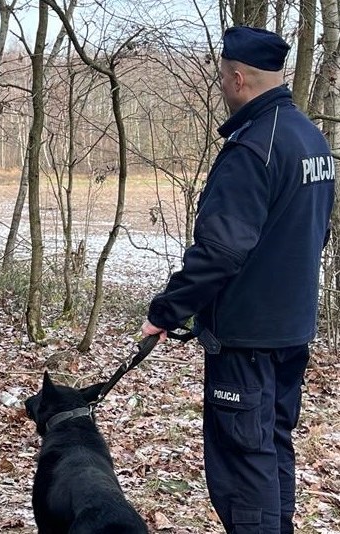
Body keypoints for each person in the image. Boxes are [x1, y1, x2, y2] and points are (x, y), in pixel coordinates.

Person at [142, 26, 336, 533]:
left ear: (238, 77)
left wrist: (165, 311)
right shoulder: (310, 139)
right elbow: (317, 233)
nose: (222, 87)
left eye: (222, 78)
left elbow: (219, 251)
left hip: (249, 340)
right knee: (271, 449)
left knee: (245, 468)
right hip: (291, 332)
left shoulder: (253, 149)